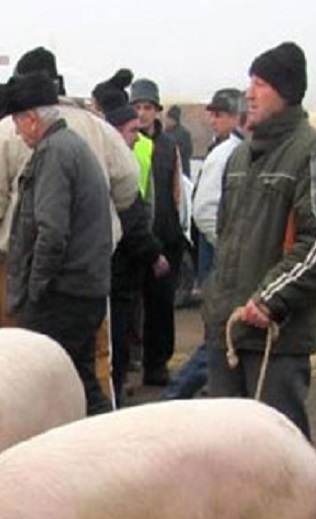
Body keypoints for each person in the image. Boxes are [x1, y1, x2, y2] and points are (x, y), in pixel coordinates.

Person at [204, 42, 316, 519]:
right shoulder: (241, 157)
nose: (250, 92)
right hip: (229, 326)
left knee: (279, 447)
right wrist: (222, 301)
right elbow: (226, 234)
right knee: (229, 449)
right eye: (250, 82)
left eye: (260, 83)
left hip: (275, 333)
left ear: (286, 91)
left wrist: (270, 298)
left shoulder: (313, 154)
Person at [0, 47, 139, 405]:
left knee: (21, 368)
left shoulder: (13, 137)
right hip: (91, 268)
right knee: (94, 361)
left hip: (33, 271)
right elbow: (128, 182)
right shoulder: (97, 128)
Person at [4, 72, 114, 415]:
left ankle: (109, 439)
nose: (17, 133)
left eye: (17, 124)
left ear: (32, 119)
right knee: (77, 378)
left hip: (63, 296)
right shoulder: (70, 146)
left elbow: (51, 232)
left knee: (65, 383)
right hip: (81, 289)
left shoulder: (54, 153)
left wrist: (35, 292)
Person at [163, 87, 246, 401]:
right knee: (220, 335)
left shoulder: (233, 151)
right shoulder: (225, 155)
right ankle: (177, 395)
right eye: (213, 114)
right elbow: (205, 208)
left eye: (220, 114)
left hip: (226, 253)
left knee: (225, 334)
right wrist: (228, 246)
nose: (213, 120)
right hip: (222, 257)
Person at [93, 69, 165, 407]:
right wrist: (154, 253)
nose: (139, 137)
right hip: (117, 264)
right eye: (133, 130)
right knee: (114, 336)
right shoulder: (110, 165)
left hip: (128, 262)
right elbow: (131, 216)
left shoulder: (142, 151)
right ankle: (112, 396)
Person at [130, 77, 187, 387]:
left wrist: (177, 228)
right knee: (131, 304)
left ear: (156, 111)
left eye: (147, 107)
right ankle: (130, 361)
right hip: (135, 238)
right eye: (137, 107)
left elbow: (177, 189)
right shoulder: (125, 142)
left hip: (166, 235)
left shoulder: (169, 146)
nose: (142, 113)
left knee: (161, 305)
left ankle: (157, 364)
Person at [165, 104, 194, 178]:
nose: (166, 121)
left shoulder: (183, 134)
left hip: (182, 171)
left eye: (169, 119)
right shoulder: (165, 133)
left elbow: (188, 151)